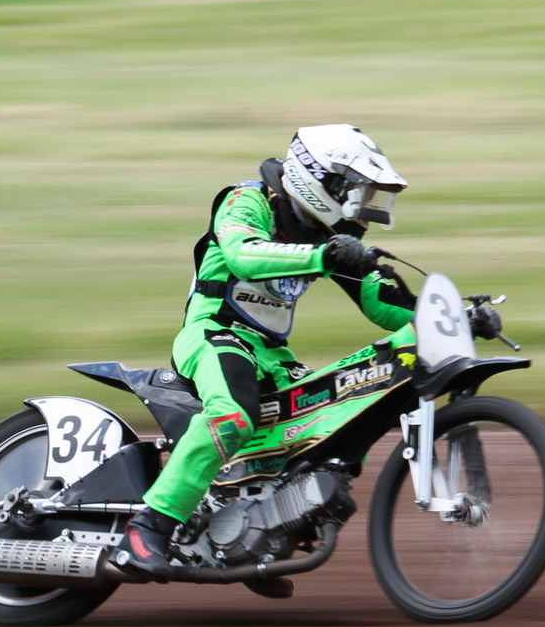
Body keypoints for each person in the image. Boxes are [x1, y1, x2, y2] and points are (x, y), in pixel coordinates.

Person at [113, 125, 438, 585]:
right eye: (356, 191)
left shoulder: (331, 234)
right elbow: (243, 255)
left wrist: (452, 316)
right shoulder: (247, 200)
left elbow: (380, 302)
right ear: (319, 180)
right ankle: (147, 528)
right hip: (213, 334)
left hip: (270, 352)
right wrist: (326, 256)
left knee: (327, 417)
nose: (362, 207)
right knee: (234, 416)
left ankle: (256, 534)